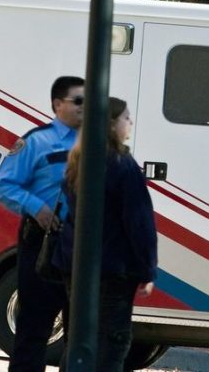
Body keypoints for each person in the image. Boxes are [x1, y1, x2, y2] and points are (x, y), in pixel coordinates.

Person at [0, 75, 84, 371]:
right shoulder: (37, 142)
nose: (85, 107)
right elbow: (2, 184)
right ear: (58, 104)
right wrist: (36, 207)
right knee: (34, 330)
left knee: (83, 336)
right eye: (78, 101)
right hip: (45, 243)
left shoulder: (98, 143)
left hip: (86, 248)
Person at [56, 97, 157, 371]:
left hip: (76, 267)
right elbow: (139, 223)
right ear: (111, 125)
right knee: (111, 343)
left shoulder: (77, 162)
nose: (131, 122)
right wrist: (148, 270)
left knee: (78, 341)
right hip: (113, 270)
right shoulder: (123, 166)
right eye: (126, 118)